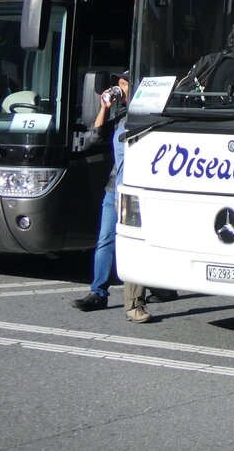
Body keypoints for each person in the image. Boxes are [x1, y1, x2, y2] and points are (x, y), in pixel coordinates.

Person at [69, 71, 174, 322]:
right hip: (114, 188)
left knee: (138, 243)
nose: (120, 86)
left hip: (137, 191)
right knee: (106, 239)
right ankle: (98, 292)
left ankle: (154, 290)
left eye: (125, 83)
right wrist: (105, 108)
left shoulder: (148, 116)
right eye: (119, 83)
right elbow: (92, 140)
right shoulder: (119, 117)